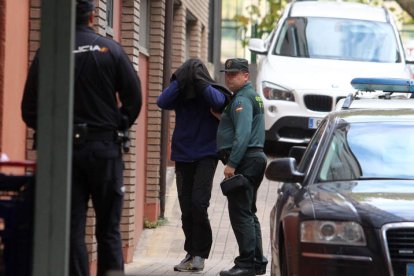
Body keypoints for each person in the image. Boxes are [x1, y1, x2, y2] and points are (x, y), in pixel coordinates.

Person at [21, 0, 142, 275]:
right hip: (104, 149)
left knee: (71, 228)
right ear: (92, 17)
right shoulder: (110, 49)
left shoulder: (49, 51)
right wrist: (117, 125)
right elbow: (134, 98)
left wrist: (53, 132)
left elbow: (29, 109)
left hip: (63, 152)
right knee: (109, 229)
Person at [157, 58, 231, 272]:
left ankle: (200, 254)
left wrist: (199, 82)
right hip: (183, 154)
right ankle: (191, 252)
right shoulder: (180, 93)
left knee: (199, 204)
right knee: (186, 208)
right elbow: (162, 101)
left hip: (207, 155)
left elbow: (218, 102)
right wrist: (181, 81)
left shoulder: (208, 91)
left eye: (194, 75)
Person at [217, 58, 268, 276]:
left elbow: (243, 134)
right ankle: (257, 262)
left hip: (245, 160)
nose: (229, 77)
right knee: (248, 212)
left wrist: (232, 163)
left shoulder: (242, 99)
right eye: (227, 73)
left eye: (234, 74)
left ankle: (245, 264)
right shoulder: (250, 96)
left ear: (246, 75)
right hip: (254, 159)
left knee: (240, 213)